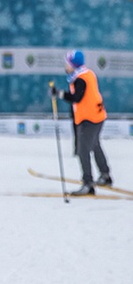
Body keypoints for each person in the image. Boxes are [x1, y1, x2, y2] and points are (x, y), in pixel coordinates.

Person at [53, 50, 111, 196]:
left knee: (83, 150)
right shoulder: (86, 74)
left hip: (89, 119)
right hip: (96, 116)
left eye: (67, 63)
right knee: (95, 145)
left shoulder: (80, 79)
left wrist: (59, 94)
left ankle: (88, 183)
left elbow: (76, 98)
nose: (65, 66)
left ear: (73, 65)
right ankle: (105, 176)